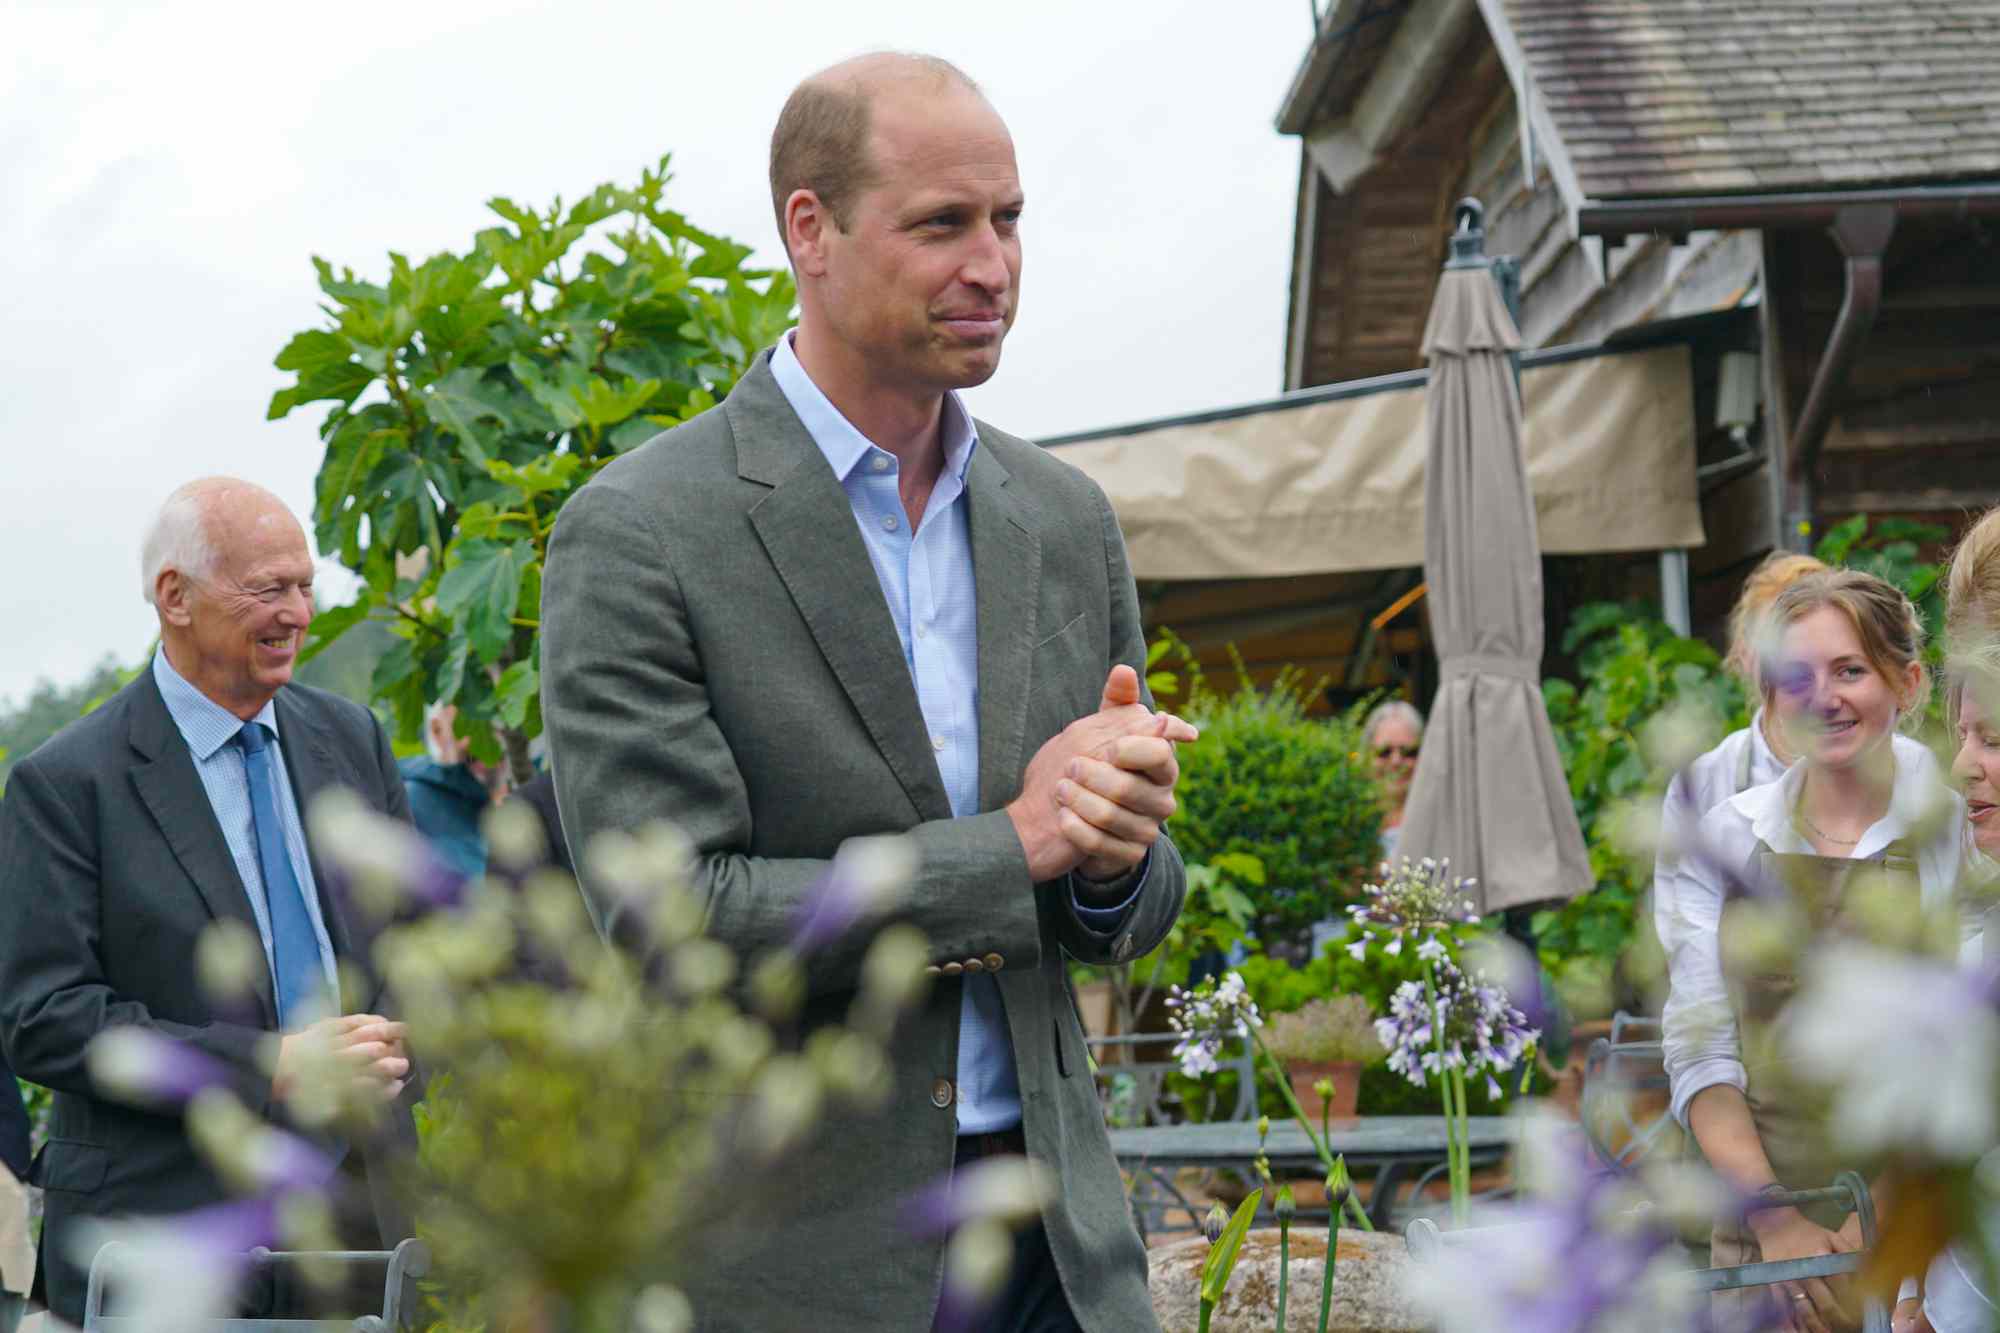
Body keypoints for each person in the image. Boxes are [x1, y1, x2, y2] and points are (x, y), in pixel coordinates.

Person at [541, 53, 1192, 1332]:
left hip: (1060, 1246)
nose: (991, 264)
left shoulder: (1061, 518)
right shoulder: (640, 531)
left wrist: (1114, 857)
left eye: (1007, 220)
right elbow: (674, 920)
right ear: (809, 230)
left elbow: (1129, 895)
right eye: (941, 223)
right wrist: (1010, 845)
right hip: (797, 1263)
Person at [0, 478, 418, 1324]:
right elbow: (43, 1018)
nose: (298, 612)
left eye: (305, 585)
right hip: (163, 1242)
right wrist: (269, 1068)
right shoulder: (66, 783)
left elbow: (416, 946)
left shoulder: (352, 739)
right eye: (269, 588)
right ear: (174, 597)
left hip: (359, 1236)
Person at [1658, 569, 1963, 1333]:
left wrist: (1871, 1235)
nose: (1822, 697)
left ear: (1907, 679)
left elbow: (1964, 1055)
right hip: (1757, 1238)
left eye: (1850, 670)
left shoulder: (1954, 830)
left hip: (1919, 1240)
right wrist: (1778, 1226)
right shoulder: (1722, 836)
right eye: (1798, 675)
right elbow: (1701, 1047)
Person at [399, 703, 510, 880]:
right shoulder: (409, 806)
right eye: (470, 722)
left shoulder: (517, 807)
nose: (486, 739)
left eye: (496, 722)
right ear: (437, 730)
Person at [1361, 699, 1423, 863]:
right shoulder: (1352, 819)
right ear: (1367, 756)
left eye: (1408, 752)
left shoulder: (1437, 819)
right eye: (1384, 752)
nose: (1396, 761)